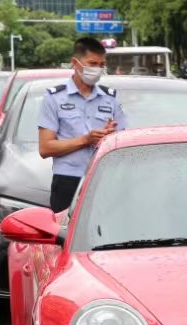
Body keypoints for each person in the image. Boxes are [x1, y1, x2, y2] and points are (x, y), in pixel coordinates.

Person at [38, 38, 127, 213]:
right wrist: (85, 140)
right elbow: (45, 148)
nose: (98, 69)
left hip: (104, 180)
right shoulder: (54, 98)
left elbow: (123, 143)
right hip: (68, 180)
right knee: (65, 235)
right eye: (92, 63)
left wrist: (111, 138)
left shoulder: (110, 98)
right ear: (75, 63)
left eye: (101, 64)